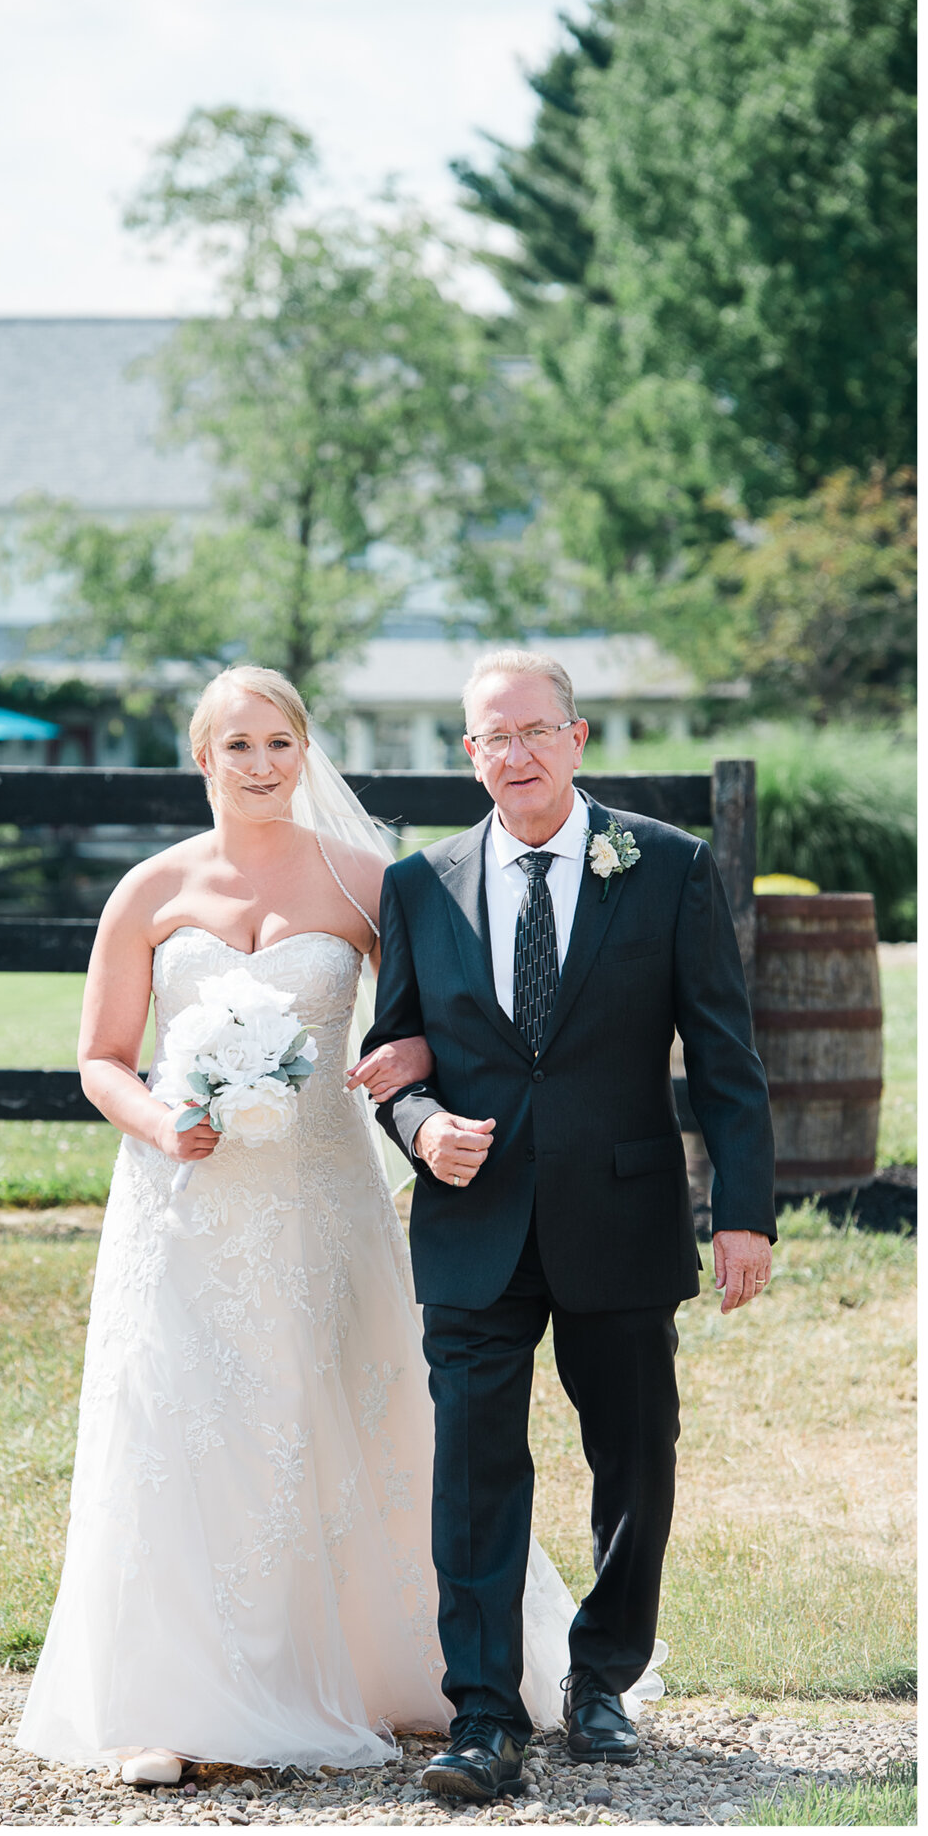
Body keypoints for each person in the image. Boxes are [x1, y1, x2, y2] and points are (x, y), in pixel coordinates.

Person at [17, 665, 641, 1786]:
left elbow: (422, 1025)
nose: (261, 764)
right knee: (183, 1427)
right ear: (202, 758)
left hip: (321, 1195)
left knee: (340, 1410)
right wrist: (164, 1119)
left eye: (279, 743)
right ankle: (168, 1698)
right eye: (237, 745)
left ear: (305, 753)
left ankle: (375, 1667)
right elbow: (101, 1057)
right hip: (188, 1199)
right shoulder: (149, 891)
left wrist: (403, 1067)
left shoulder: (368, 883)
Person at [367, 650, 772, 1802]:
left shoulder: (666, 866)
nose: (519, 753)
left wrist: (742, 1212)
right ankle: (484, 1714)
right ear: (468, 753)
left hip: (625, 1210)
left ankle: (601, 1678)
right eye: (496, 736)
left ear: (578, 738)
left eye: (538, 730)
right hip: (472, 1221)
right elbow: (395, 1059)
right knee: (475, 1469)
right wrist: (418, 1124)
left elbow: (727, 1058)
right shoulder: (417, 885)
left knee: (634, 1458)